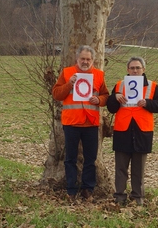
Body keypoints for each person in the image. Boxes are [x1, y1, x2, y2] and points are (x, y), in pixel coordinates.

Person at [107, 56, 158, 206]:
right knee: (120, 168)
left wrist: (148, 103)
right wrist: (115, 97)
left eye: (137, 68)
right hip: (122, 131)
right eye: (132, 68)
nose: (135, 70)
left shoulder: (153, 86)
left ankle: (137, 198)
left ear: (143, 70)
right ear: (127, 70)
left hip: (142, 132)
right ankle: (119, 197)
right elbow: (111, 108)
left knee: (138, 169)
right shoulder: (119, 85)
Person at [52, 45, 109, 201]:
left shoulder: (99, 75)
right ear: (77, 59)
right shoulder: (67, 73)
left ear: (93, 60)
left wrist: (99, 100)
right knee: (70, 158)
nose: (85, 61)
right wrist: (69, 84)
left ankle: (87, 189)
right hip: (71, 123)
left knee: (90, 159)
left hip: (91, 123)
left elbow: (105, 96)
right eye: (82, 59)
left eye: (88, 59)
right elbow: (56, 94)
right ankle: (71, 189)